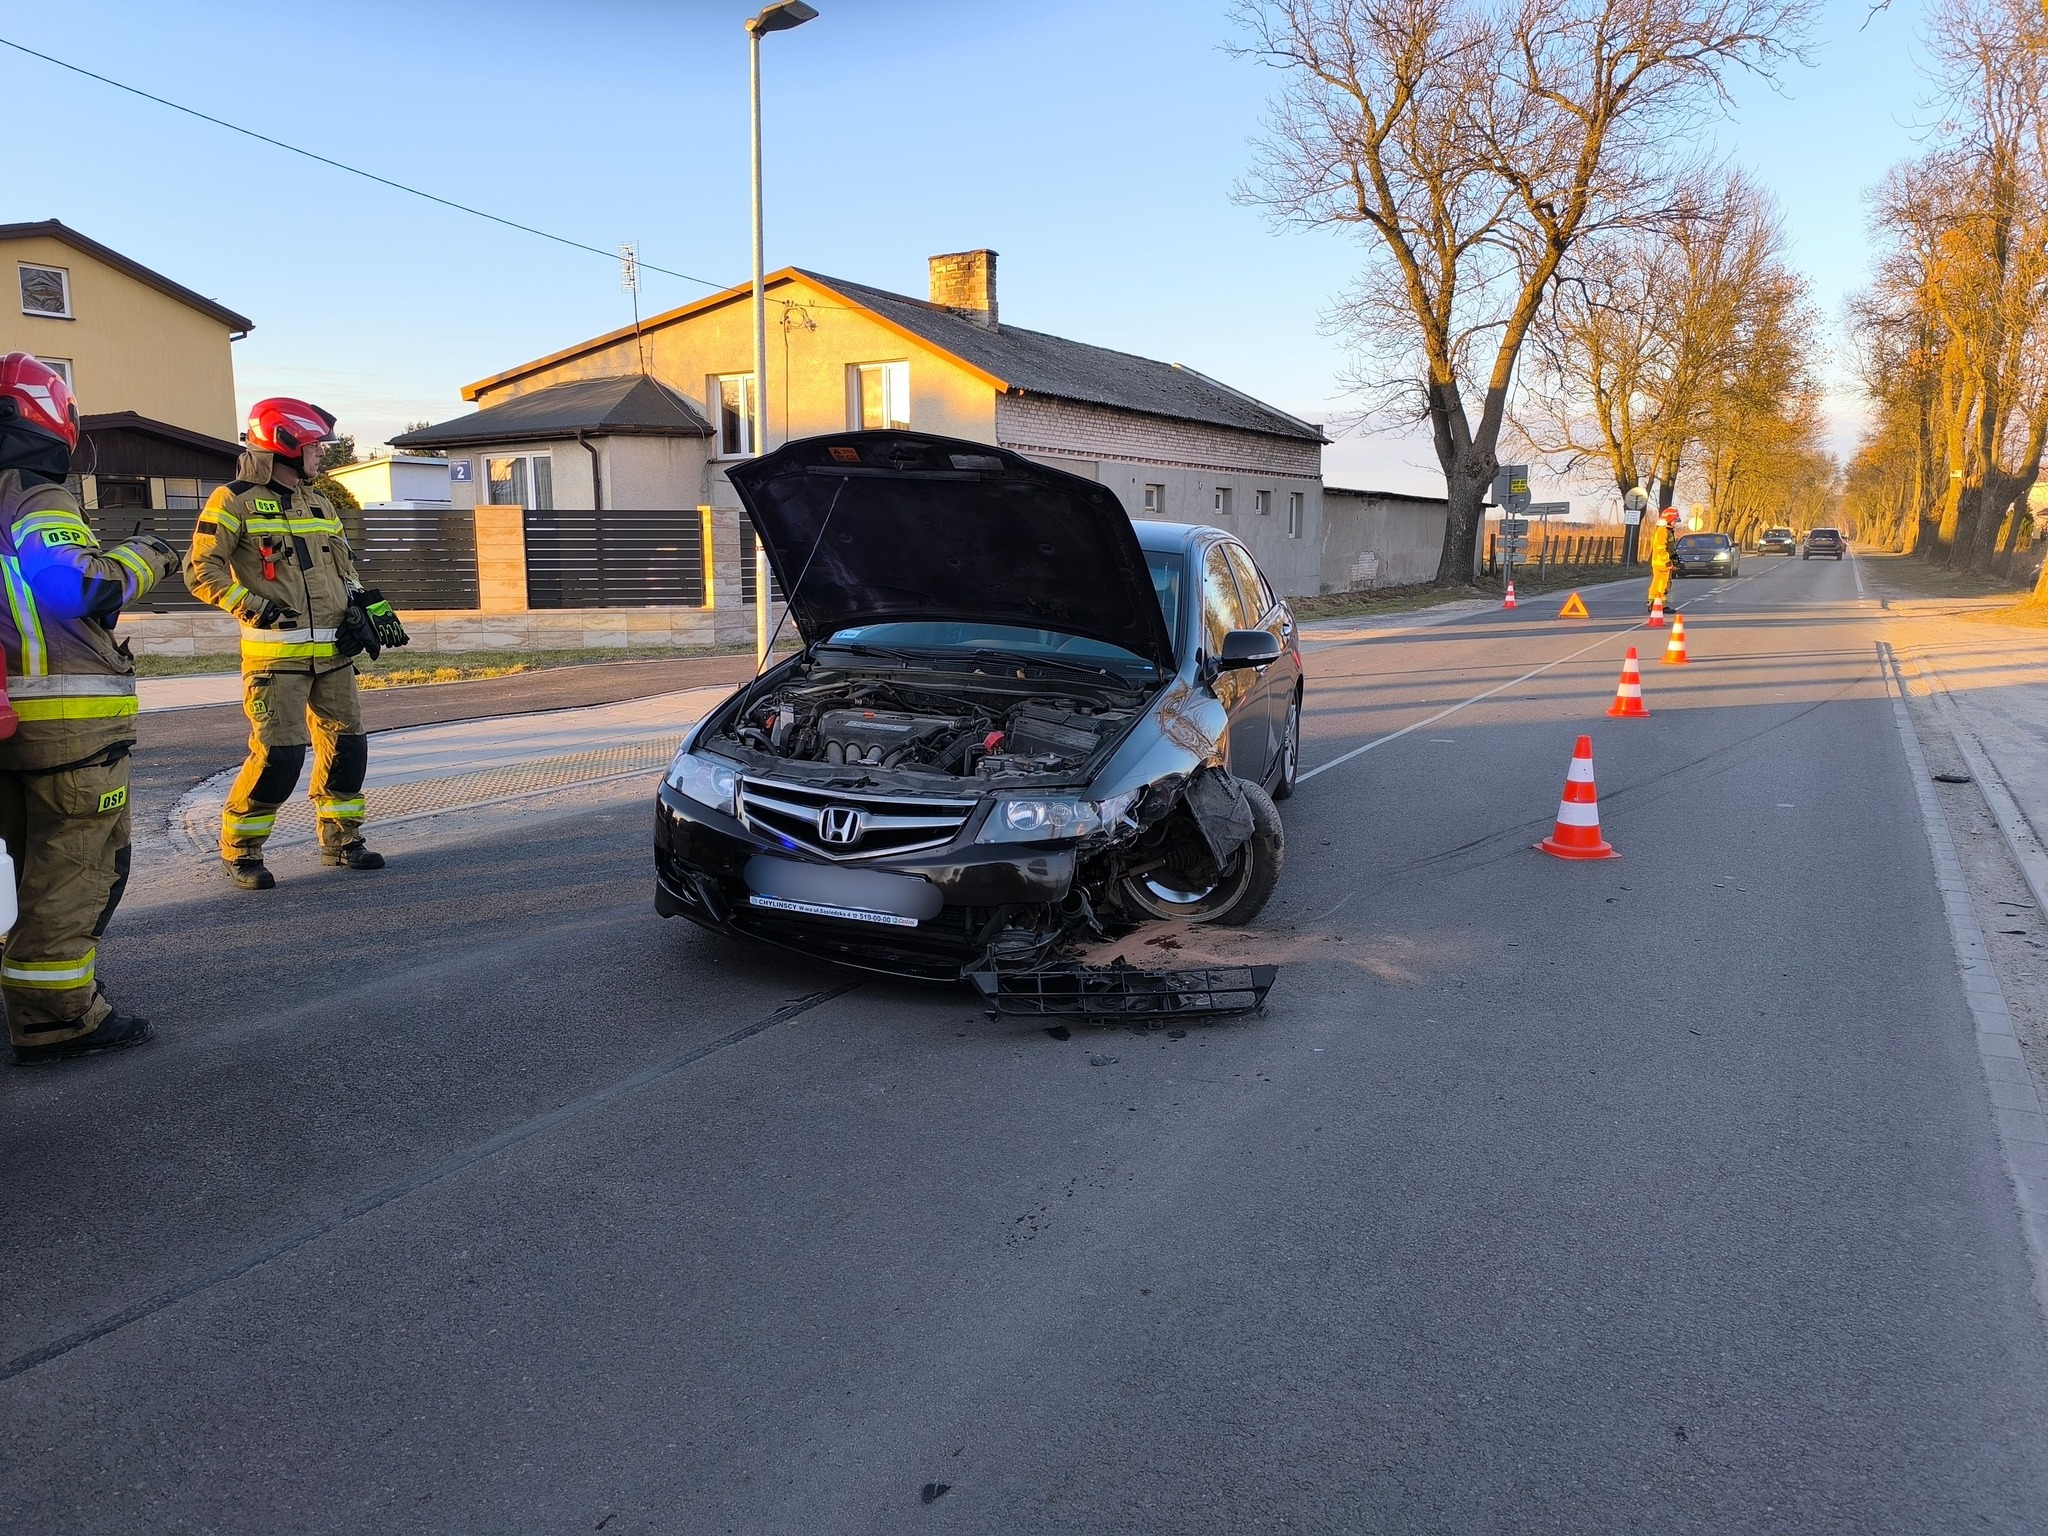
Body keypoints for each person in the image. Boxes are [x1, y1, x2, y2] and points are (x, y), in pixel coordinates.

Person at [0, 353, 181, 1064]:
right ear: (50, 420)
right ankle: (56, 1016)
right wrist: (146, 554)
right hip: (68, 730)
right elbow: (73, 589)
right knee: (78, 868)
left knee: (31, 865)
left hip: (17, 722)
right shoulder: (37, 498)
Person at [184, 397, 406, 890]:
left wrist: (365, 607)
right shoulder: (232, 500)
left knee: (348, 748)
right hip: (274, 660)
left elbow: (341, 570)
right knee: (279, 756)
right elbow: (200, 570)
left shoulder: (320, 503)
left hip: (334, 656)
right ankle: (242, 850)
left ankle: (343, 839)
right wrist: (252, 605)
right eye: (313, 446)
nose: (321, 455)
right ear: (283, 446)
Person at [1646, 507, 1680, 612]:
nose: (1675, 522)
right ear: (1668, 519)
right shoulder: (1663, 531)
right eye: (1674, 519)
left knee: (1658, 583)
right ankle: (1660, 605)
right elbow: (1661, 548)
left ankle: (1652, 603)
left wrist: (1674, 557)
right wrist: (1668, 562)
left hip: (1661, 562)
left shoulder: (1666, 530)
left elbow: (1669, 548)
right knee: (1663, 584)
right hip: (1662, 563)